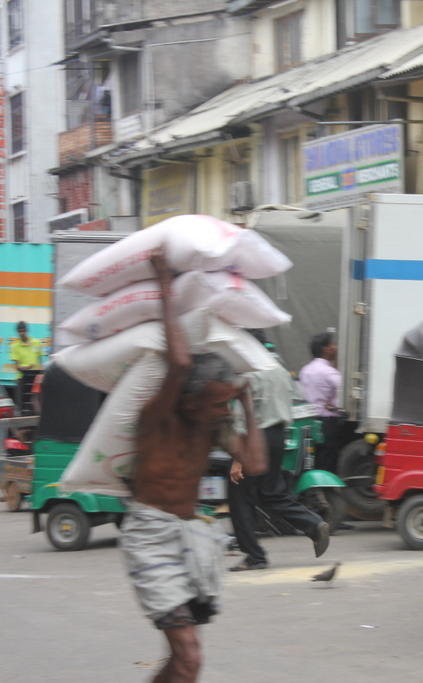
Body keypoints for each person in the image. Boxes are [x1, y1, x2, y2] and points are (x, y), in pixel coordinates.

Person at [119, 247, 267, 683]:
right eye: (217, 404)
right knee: (189, 659)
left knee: (179, 659)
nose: (223, 412)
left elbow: (255, 463)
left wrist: (245, 403)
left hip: (190, 537)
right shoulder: (156, 420)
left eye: (226, 404)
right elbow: (180, 363)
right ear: (188, 401)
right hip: (150, 537)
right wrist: (164, 283)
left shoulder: (212, 428)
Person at [227, 331, 330, 571]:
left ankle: (254, 556)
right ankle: (313, 524)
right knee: (271, 492)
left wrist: (238, 457)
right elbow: (293, 400)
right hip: (278, 436)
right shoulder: (280, 370)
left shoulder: (248, 373)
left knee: (239, 495)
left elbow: (244, 415)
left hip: (254, 438)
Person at [298, 332, 342, 473]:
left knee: (311, 461)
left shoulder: (305, 370)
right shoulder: (329, 372)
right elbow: (344, 392)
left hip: (309, 421)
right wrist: (336, 406)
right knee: (327, 462)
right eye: (332, 344)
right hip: (327, 424)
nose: (335, 347)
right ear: (325, 349)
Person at [10, 322, 43, 416]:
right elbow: (17, 366)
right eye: (19, 331)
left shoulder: (36, 343)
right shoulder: (15, 346)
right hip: (23, 378)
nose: (21, 333)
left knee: (36, 400)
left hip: (35, 378)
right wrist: (27, 368)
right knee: (23, 404)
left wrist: (40, 372)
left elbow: (40, 360)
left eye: (23, 331)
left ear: (27, 331)